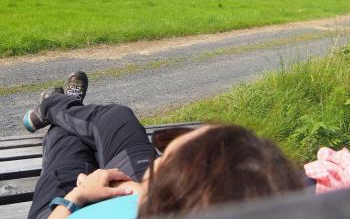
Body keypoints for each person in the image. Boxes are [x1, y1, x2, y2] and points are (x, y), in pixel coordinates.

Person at [24, 71, 304, 219]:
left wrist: (76, 197)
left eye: (163, 158)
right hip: (139, 198)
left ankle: (53, 106)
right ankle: (60, 108)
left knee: (68, 145)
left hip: (60, 209)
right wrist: (143, 191)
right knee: (115, 116)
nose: (153, 157)